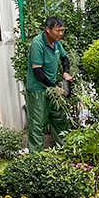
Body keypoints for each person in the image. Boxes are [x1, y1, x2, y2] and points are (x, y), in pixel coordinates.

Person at [25, 16, 73, 153]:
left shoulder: (56, 43)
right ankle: (36, 157)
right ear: (47, 29)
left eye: (62, 30)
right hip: (37, 90)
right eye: (58, 30)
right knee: (37, 124)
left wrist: (66, 72)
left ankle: (66, 150)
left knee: (60, 119)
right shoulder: (37, 44)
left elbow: (64, 58)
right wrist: (54, 88)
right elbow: (37, 72)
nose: (61, 34)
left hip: (52, 88)